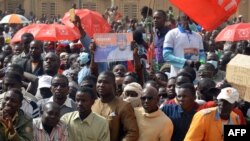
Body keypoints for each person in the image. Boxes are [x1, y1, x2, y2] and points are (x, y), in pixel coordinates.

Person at [92, 71, 139, 141]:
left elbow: (132, 133)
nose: (101, 85)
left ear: (114, 85)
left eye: (106, 82)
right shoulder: (92, 104)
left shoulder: (124, 106)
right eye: (99, 82)